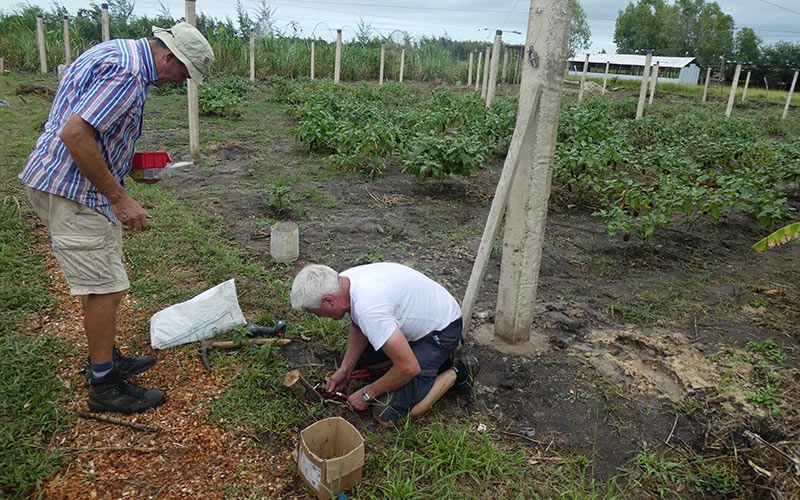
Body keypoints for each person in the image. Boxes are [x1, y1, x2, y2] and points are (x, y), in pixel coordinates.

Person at [19, 22, 215, 414]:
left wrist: (127, 163)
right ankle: (104, 383)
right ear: (169, 57)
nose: (181, 82)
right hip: (73, 189)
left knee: (103, 276)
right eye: (184, 73)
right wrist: (120, 198)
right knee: (105, 285)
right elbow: (75, 134)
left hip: (67, 180)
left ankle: (104, 354)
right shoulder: (127, 75)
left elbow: (85, 124)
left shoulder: (117, 53)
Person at [291, 262, 479, 425]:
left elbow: (408, 368)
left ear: (329, 301)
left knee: (386, 415)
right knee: (349, 359)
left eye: (317, 312)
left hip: (443, 331)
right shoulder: (344, 281)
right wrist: (345, 369)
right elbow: (358, 327)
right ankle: (409, 359)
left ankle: (457, 372)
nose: (320, 317)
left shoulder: (369, 309)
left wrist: (367, 393)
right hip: (419, 322)